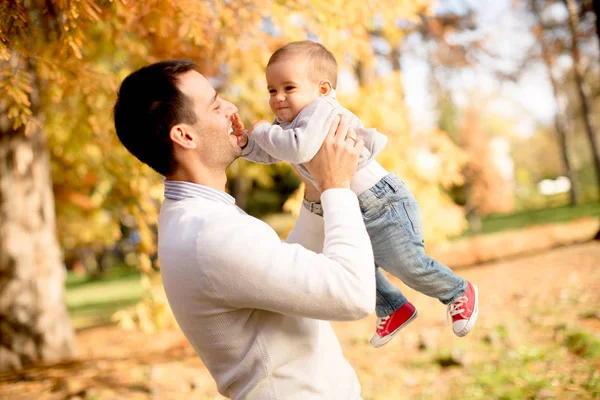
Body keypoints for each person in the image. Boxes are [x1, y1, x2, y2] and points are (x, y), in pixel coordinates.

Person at [114, 59, 378, 399]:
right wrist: (336, 185)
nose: (231, 108)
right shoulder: (207, 233)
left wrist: (315, 190)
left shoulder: (202, 216)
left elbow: (293, 273)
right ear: (184, 135)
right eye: (215, 104)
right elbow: (352, 295)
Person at [241, 40, 479, 348]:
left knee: (406, 263)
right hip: (354, 204)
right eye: (272, 90)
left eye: (289, 87)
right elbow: (275, 152)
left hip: (381, 201)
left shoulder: (321, 111)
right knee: (357, 263)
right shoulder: (288, 123)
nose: (278, 98)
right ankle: (393, 307)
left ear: (323, 89)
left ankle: (457, 290)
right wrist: (245, 145)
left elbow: (297, 147)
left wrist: (260, 131)